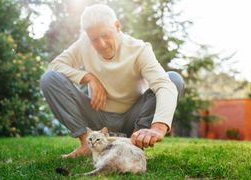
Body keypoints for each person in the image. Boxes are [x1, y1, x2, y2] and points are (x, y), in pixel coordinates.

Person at [40, 4, 185, 158]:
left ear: (117, 26)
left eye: (106, 35)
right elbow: (54, 66)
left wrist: (158, 128)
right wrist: (89, 78)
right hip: (97, 119)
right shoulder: (84, 43)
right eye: (94, 39)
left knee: (174, 79)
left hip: (132, 118)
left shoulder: (139, 49)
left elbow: (163, 85)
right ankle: (86, 144)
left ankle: (135, 144)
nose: (101, 44)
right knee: (49, 78)